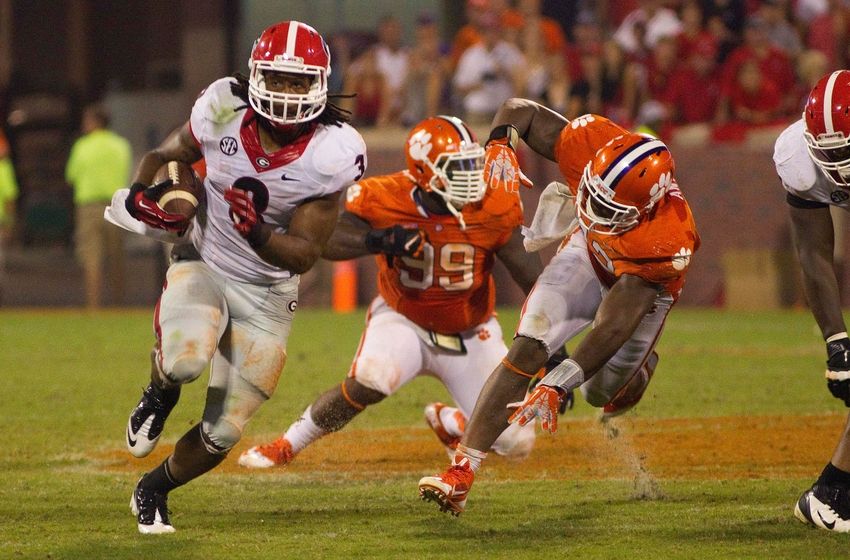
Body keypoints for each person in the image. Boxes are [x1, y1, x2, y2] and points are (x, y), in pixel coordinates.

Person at [104, 21, 367, 534]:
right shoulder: (223, 105)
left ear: (320, 85)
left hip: (269, 289)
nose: (288, 93)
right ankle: (160, 392)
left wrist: (260, 234)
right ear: (254, 75)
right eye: (278, 78)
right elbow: (167, 156)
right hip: (205, 258)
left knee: (223, 431)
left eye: (299, 82)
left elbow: (305, 254)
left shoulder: (332, 152)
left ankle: (153, 487)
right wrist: (141, 191)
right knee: (185, 360)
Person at [418, 98, 700, 516]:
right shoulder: (592, 141)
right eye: (593, 195)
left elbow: (610, 326)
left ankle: (641, 368)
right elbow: (520, 111)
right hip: (588, 250)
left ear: (645, 209)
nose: (593, 209)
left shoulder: (666, 240)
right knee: (530, 343)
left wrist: (558, 383)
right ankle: (461, 471)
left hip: (637, 292)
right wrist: (501, 144)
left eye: (610, 209)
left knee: (596, 391)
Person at [237, 115, 556, 470]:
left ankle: (453, 423)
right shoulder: (386, 197)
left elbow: (529, 275)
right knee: (370, 381)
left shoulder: (493, 203)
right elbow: (327, 242)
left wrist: (551, 345)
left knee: (517, 441)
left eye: (472, 164)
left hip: (471, 329)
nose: (470, 177)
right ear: (423, 172)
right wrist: (382, 239)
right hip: (404, 319)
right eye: (456, 168)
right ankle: (286, 445)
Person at [775, 69, 850, 533]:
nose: (840, 162)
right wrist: (837, 341)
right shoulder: (798, 157)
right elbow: (813, 252)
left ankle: (831, 492)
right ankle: (831, 494)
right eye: (830, 151)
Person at [65, 103, 132, 308]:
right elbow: (127, 173)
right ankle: (118, 305)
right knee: (116, 258)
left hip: (89, 207)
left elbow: (71, 176)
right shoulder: (121, 145)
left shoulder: (82, 146)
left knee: (91, 258)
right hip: (116, 206)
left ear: (94, 122)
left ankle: (94, 307)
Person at [0, 130, 18, 302]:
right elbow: (10, 199)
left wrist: (8, 223)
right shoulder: (4, 168)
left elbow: (9, 199)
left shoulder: (3, 169)